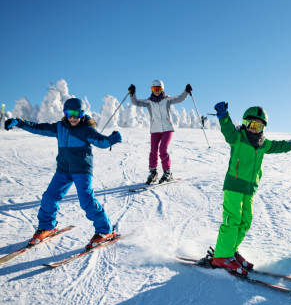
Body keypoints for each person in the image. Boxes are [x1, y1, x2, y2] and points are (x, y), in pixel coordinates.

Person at [210, 101, 291, 275]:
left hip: (250, 188)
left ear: (262, 128)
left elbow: (282, 145)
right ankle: (221, 256)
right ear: (244, 123)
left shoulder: (263, 144)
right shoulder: (237, 138)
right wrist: (223, 116)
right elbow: (227, 130)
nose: (253, 129)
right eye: (250, 124)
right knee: (232, 219)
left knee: (246, 221)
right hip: (234, 186)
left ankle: (231, 251)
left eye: (258, 126)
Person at [4, 98, 122, 249]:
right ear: (64, 114)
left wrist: (112, 139)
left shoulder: (86, 130)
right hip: (63, 170)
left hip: (81, 170)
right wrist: (19, 122)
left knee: (86, 200)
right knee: (49, 197)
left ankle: (105, 230)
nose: (72, 118)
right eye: (68, 114)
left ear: (81, 113)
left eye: (75, 114)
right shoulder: (60, 127)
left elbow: (101, 142)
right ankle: (47, 227)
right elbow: (38, 127)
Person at [128, 80, 192, 184]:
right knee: (153, 151)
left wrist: (186, 91)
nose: (156, 91)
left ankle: (167, 173)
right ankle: (153, 173)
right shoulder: (149, 102)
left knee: (163, 149)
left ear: (162, 89)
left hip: (167, 129)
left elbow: (179, 98)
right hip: (155, 130)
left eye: (158, 89)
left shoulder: (167, 100)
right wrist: (132, 93)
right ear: (151, 90)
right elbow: (136, 102)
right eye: (154, 89)